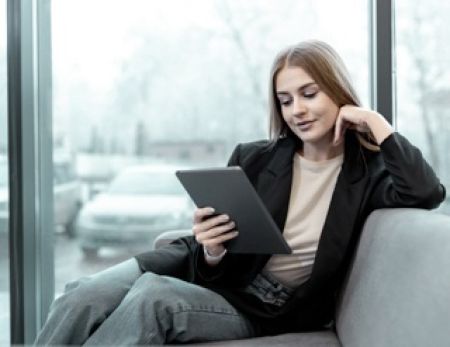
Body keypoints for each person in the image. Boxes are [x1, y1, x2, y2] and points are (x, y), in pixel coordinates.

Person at [35, 40, 446, 345]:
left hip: (271, 309)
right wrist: (213, 251)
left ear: (338, 92)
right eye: (285, 101)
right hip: (205, 272)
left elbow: (427, 192)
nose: (297, 110)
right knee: (81, 295)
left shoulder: (369, 172)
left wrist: (377, 123)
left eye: (309, 94)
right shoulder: (254, 158)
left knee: (152, 297)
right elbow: (218, 266)